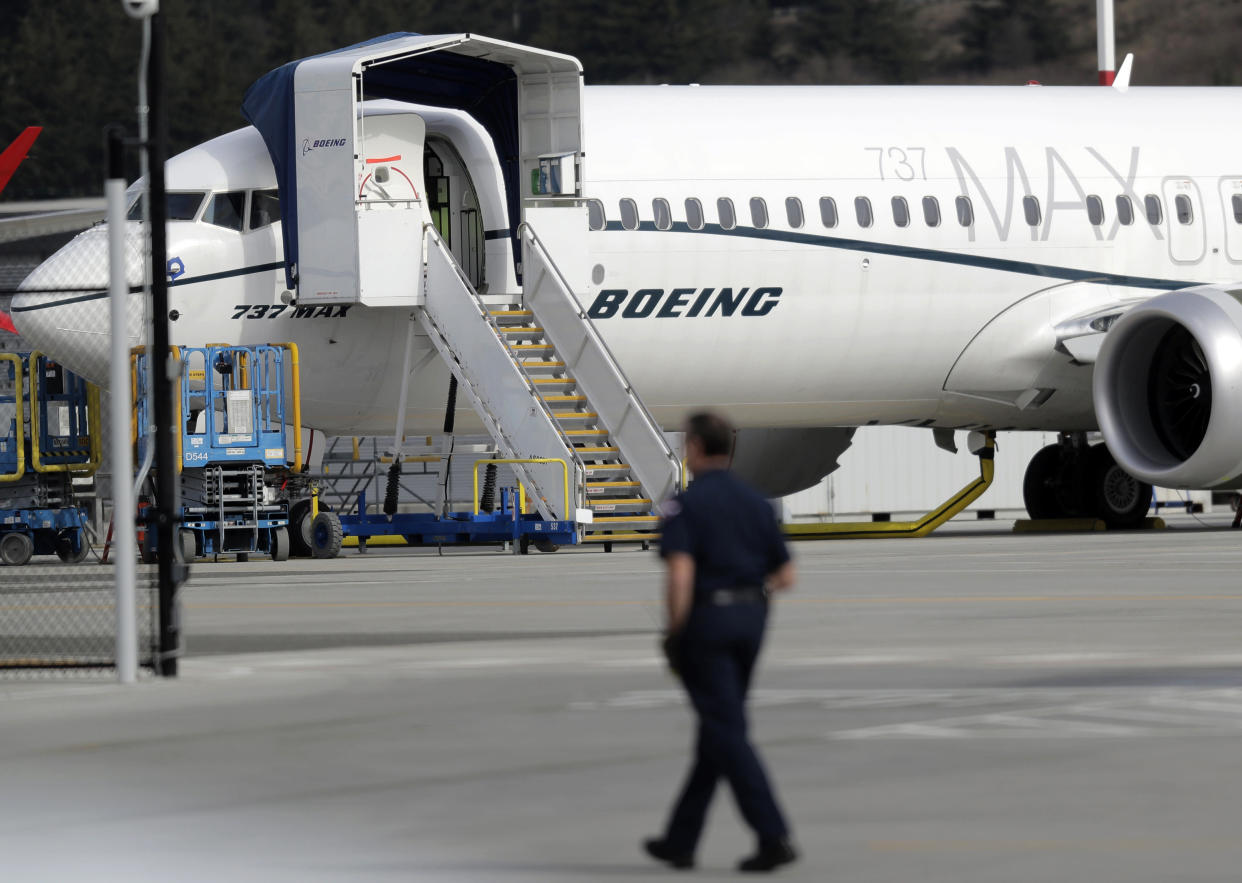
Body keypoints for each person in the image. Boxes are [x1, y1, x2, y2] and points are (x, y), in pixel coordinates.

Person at [643, 411, 798, 873]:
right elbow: (786, 576)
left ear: (692, 448)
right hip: (753, 618)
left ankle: (773, 836)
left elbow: (681, 572)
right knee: (720, 726)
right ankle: (680, 840)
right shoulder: (756, 502)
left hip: (708, 620)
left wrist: (675, 631)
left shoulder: (686, 505)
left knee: (726, 731)